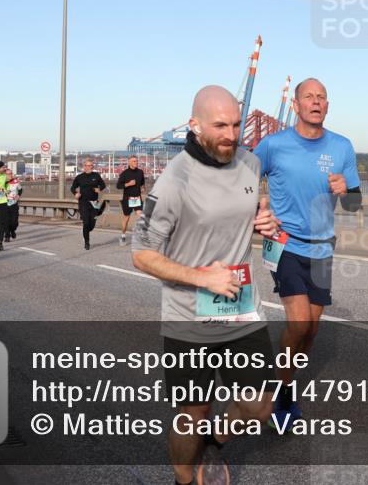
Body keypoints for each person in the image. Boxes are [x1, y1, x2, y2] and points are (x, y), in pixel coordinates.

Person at [132, 85, 280, 485]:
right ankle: (182, 477)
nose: (231, 134)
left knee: (260, 407)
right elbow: (141, 253)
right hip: (188, 318)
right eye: (220, 126)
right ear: (195, 125)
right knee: (190, 417)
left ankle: (217, 438)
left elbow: (248, 207)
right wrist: (202, 276)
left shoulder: (250, 163)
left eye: (235, 124)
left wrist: (262, 220)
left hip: (240, 309)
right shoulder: (174, 180)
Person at [252, 77, 362, 430]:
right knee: (298, 321)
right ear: (295, 105)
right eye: (308, 97)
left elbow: (356, 203)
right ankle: (281, 393)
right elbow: (241, 180)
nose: (315, 102)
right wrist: (257, 211)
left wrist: (348, 190)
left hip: (322, 247)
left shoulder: (342, 147)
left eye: (322, 97)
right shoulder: (273, 145)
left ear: (327, 106)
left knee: (311, 329)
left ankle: (285, 377)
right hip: (284, 243)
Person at [71, 158, 106, 250]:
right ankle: (87, 242)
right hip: (83, 202)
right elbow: (73, 187)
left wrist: (99, 189)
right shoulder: (79, 177)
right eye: (88, 165)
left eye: (91, 165)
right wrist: (76, 193)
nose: (89, 167)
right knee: (86, 223)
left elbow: (103, 185)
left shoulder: (96, 175)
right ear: (84, 166)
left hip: (94, 203)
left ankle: (85, 232)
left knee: (92, 225)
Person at [116, 155, 146, 246]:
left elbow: (142, 183)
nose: (135, 163)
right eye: (133, 161)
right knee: (126, 218)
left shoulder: (140, 172)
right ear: (129, 163)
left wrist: (143, 188)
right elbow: (118, 186)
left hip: (137, 198)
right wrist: (128, 184)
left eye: (136, 161)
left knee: (141, 216)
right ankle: (123, 236)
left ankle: (141, 237)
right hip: (127, 199)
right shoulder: (124, 173)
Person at [4, 168, 23, 241]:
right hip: (5, 204)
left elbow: (20, 190)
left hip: (14, 204)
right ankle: (7, 236)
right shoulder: (3, 182)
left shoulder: (16, 182)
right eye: (8, 174)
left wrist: (18, 196)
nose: (10, 175)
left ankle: (12, 230)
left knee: (14, 222)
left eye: (11, 173)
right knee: (6, 221)